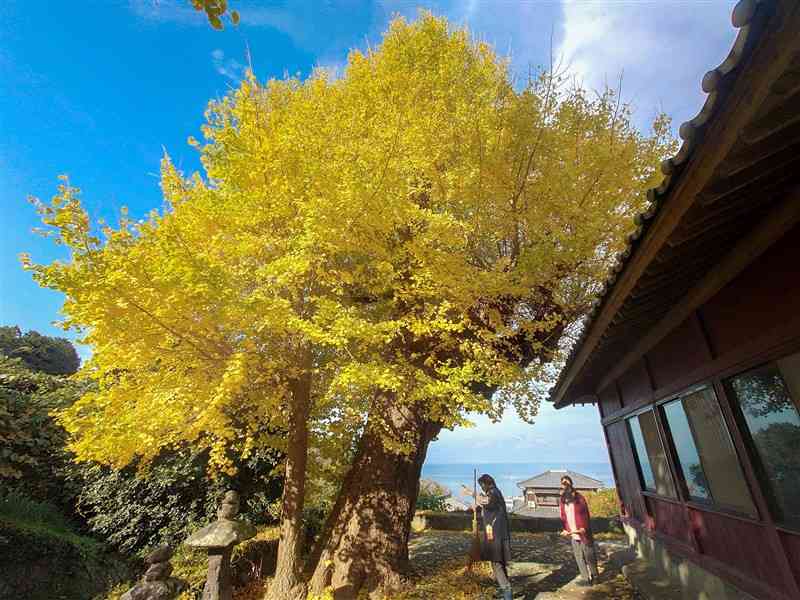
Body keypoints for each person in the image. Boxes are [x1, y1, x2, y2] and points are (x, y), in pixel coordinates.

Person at [463, 474, 513, 600]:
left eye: (482, 485)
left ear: (486, 483)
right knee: (498, 563)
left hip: (496, 535)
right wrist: (476, 506)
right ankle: (506, 590)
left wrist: (471, 492)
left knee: (496, 563)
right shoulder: (494, 493)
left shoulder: (494, 493)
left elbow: (487, 501)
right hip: (496, 534)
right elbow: (487, 505)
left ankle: (507, 593)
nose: (482, 488)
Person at [559, 475, 599, 586]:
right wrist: (566, 529)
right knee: (579, 557)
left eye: (567, 483)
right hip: (572, 534)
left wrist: (582, 529)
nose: (565, 486)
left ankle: (595, 576)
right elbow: (563, 517)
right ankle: (586, 579)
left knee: (589, 556)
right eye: (563, 484)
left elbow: (585, 516)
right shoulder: (562, 500)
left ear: (571, 484)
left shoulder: (579, 498)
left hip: (583, 533)